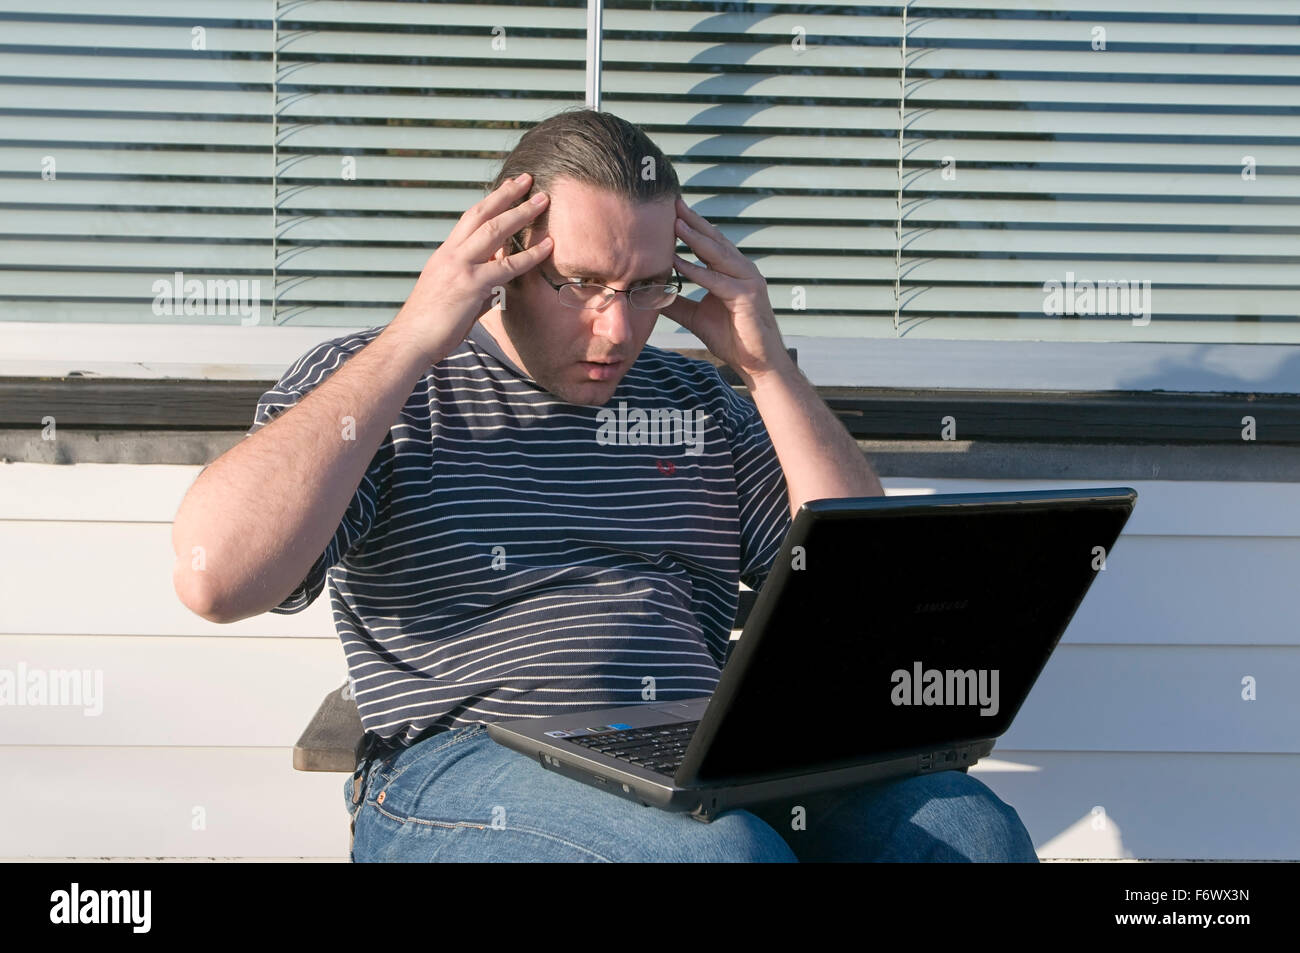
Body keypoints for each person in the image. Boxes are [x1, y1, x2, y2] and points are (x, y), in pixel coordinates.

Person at [171, 107, 1038, 863]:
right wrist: (412, 338)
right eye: (582, 284)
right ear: (506, 253)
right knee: (717, 855)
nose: (618, 327)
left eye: (647, 286)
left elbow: (863, 601)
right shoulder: (385, 387)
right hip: (465, 764)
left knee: (972, 835)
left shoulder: (701, 402)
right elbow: (217, 576)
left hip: (698, 750)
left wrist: (766, 368)